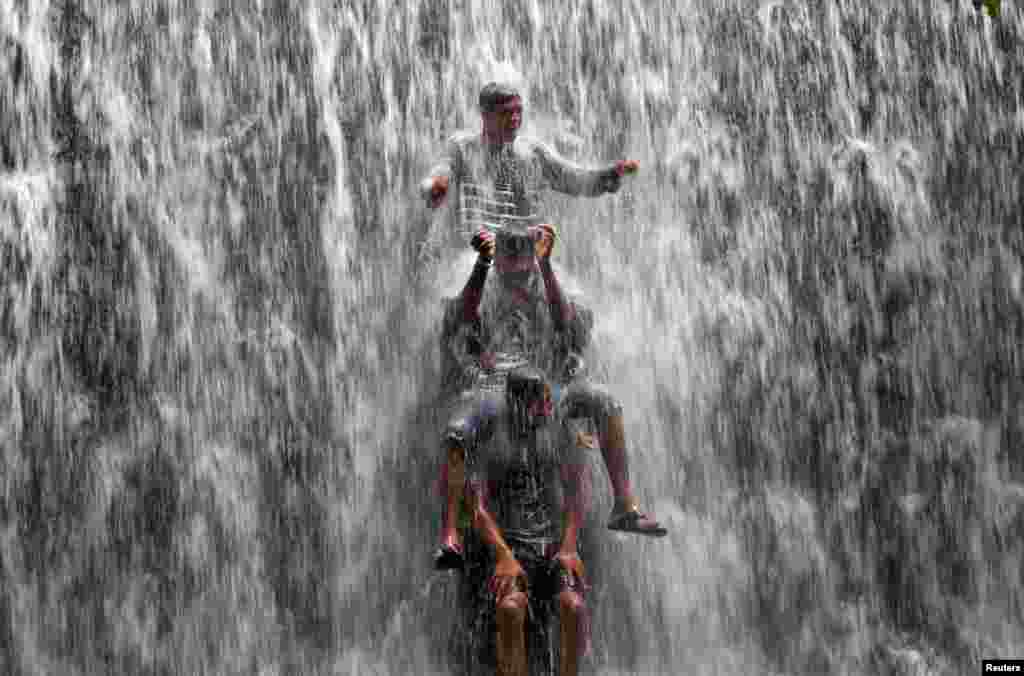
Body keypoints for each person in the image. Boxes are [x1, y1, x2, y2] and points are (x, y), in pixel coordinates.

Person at [435, 222, 666, 572]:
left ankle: (624, 505)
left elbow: (567, 324)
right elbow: (460, 319)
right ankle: (450, 533)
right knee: (457, 432)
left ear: (533, 253)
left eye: (523, 255)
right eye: (507, 255)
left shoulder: (548, 281)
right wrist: (480, 266)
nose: (515, 265)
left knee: (605, 402)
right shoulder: (484, 281)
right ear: (498, 257)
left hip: (547, 388)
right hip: (494, 388)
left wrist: (546, 266)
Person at [453, 364, 590, 676]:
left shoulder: (556, 435)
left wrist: (568, 547)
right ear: (518, 403)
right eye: (540, 401)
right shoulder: (491, 442)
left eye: (547, 400)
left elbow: (577, 493)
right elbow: (474, 505)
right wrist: (502, 555)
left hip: (552, 548)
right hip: (511, 548)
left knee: (574, 606)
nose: (547, 407)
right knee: (510, 609)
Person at [419, 81, 639, 229]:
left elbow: (571, 178)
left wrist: (606, 177)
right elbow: (442, 170)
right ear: (485, 115)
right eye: (507, 113)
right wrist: (435, 186)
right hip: (477, 259)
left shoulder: (532, 152)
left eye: (518, 111)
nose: (515, 118)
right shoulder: (462, 147)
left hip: (523, 260)